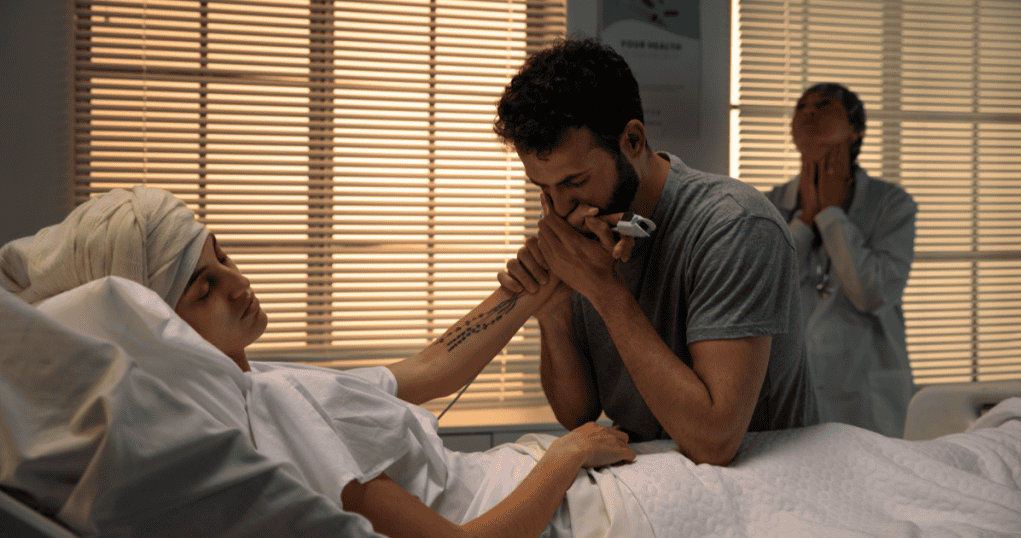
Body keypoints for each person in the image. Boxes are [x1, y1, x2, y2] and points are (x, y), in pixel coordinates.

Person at [0, 185, 639, 537]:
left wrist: (528, 285)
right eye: (203, 286)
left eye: (221, 256)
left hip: (536, 483)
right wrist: (566, 455)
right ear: (160, 328)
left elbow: (430, 368)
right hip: (558, 511)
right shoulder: (272, 419)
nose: (236, 281)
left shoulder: (268, 382)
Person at [493, 38, 817, 466]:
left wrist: (603, 290)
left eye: (574, 183)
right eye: (543, 189)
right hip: (652, 476)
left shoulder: (734, 225)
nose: (560, 210)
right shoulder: (586, 228)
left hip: (760, 482)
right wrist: (554, 311)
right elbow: (577, 414)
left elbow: (714, 441)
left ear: (632, 140)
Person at [765, 83, 917, 437]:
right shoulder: (769, 204)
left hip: (867, 392)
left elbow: (873, 292)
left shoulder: (891, 204)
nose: (808, 113)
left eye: (824, 104)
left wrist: (832, 214)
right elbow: (766, 289)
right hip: (793, 389)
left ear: (856, 129)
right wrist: (804, 221)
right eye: (800, 107)